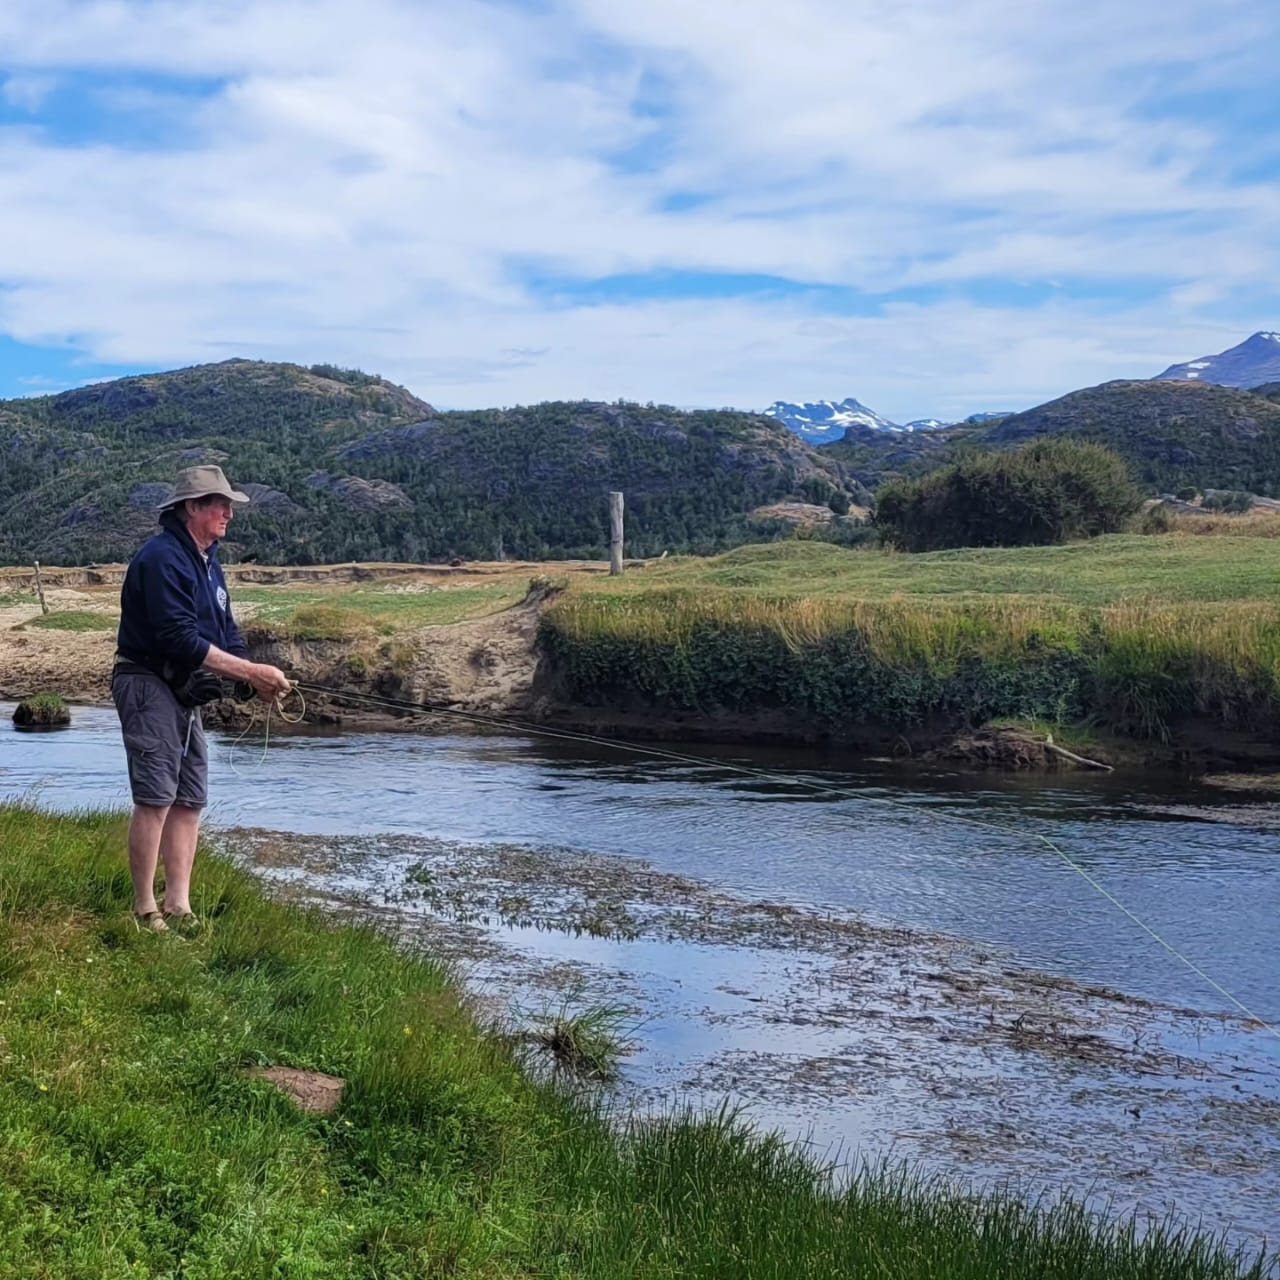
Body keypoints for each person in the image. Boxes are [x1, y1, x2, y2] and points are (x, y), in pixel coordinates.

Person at [112, 465, 292, 933]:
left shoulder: (209, 561)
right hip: (147, 682)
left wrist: (249, 679)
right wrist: (250, 672)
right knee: (155, 797)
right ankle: (144, 910)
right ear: (192, 507)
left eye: (229, 506)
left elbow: (226, 631)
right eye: (220, 505)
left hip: (182, 688)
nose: (229, 514)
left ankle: (179, 906)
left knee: (189, 798)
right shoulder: (162, 558)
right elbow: (178, 638)